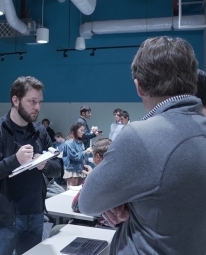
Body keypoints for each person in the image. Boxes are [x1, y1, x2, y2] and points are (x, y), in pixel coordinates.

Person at [79, 36, 206, 255]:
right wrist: (137, 206)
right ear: (193, 81)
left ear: (139, 87)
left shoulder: (140, 136)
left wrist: (125, 204)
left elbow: (88, 202)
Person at [0, 76, 62, 255]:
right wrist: (15, 160)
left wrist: (44, 164)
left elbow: (58, 167)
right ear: (15, 100)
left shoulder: (40, 131)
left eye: (39, 102)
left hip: (36, 214)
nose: (37, 107)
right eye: (32, 101)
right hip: (6, 219)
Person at [71, 138, 111, 227]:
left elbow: (76, 206)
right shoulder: (121, 174)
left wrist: (90, 178)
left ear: (97, 157)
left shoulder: (97, 177)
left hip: (105, 227)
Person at [62, 122, 92, 189]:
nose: (83, 132)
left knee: (79, 193)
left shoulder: (80, 142)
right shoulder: (69, 142)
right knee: (71, 193)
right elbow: (74, 156)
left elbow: (82, 157)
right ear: (75, 130)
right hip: (72, 171)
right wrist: (85, 152)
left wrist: (86, 153)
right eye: (81, 130)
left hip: (80, 169)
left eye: (83, 130)